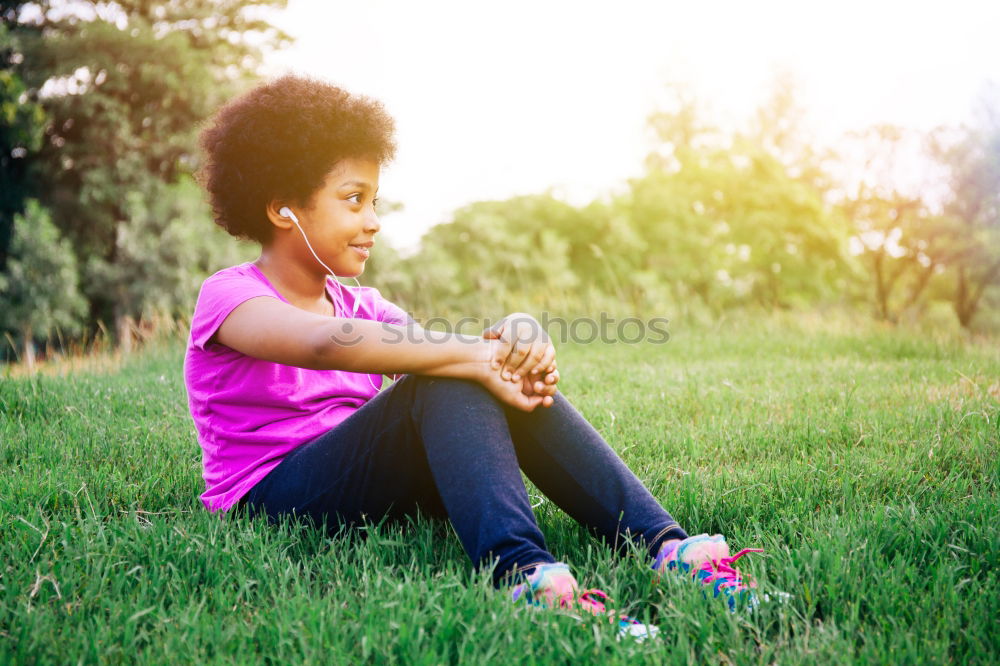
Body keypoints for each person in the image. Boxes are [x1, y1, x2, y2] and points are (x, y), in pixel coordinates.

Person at [183, 74, 767, 637]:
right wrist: (475, 359)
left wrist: (514, 337)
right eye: (353, 200)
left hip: (366, 486)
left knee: (459, 370)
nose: (373, 222)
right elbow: (320, 342)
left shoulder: (366, 302)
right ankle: (526, 578)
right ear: (283, 208)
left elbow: (440, 352)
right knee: (445, 372)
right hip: (273, 499)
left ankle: (667, 547)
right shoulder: (232, 296)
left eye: (374, 201)